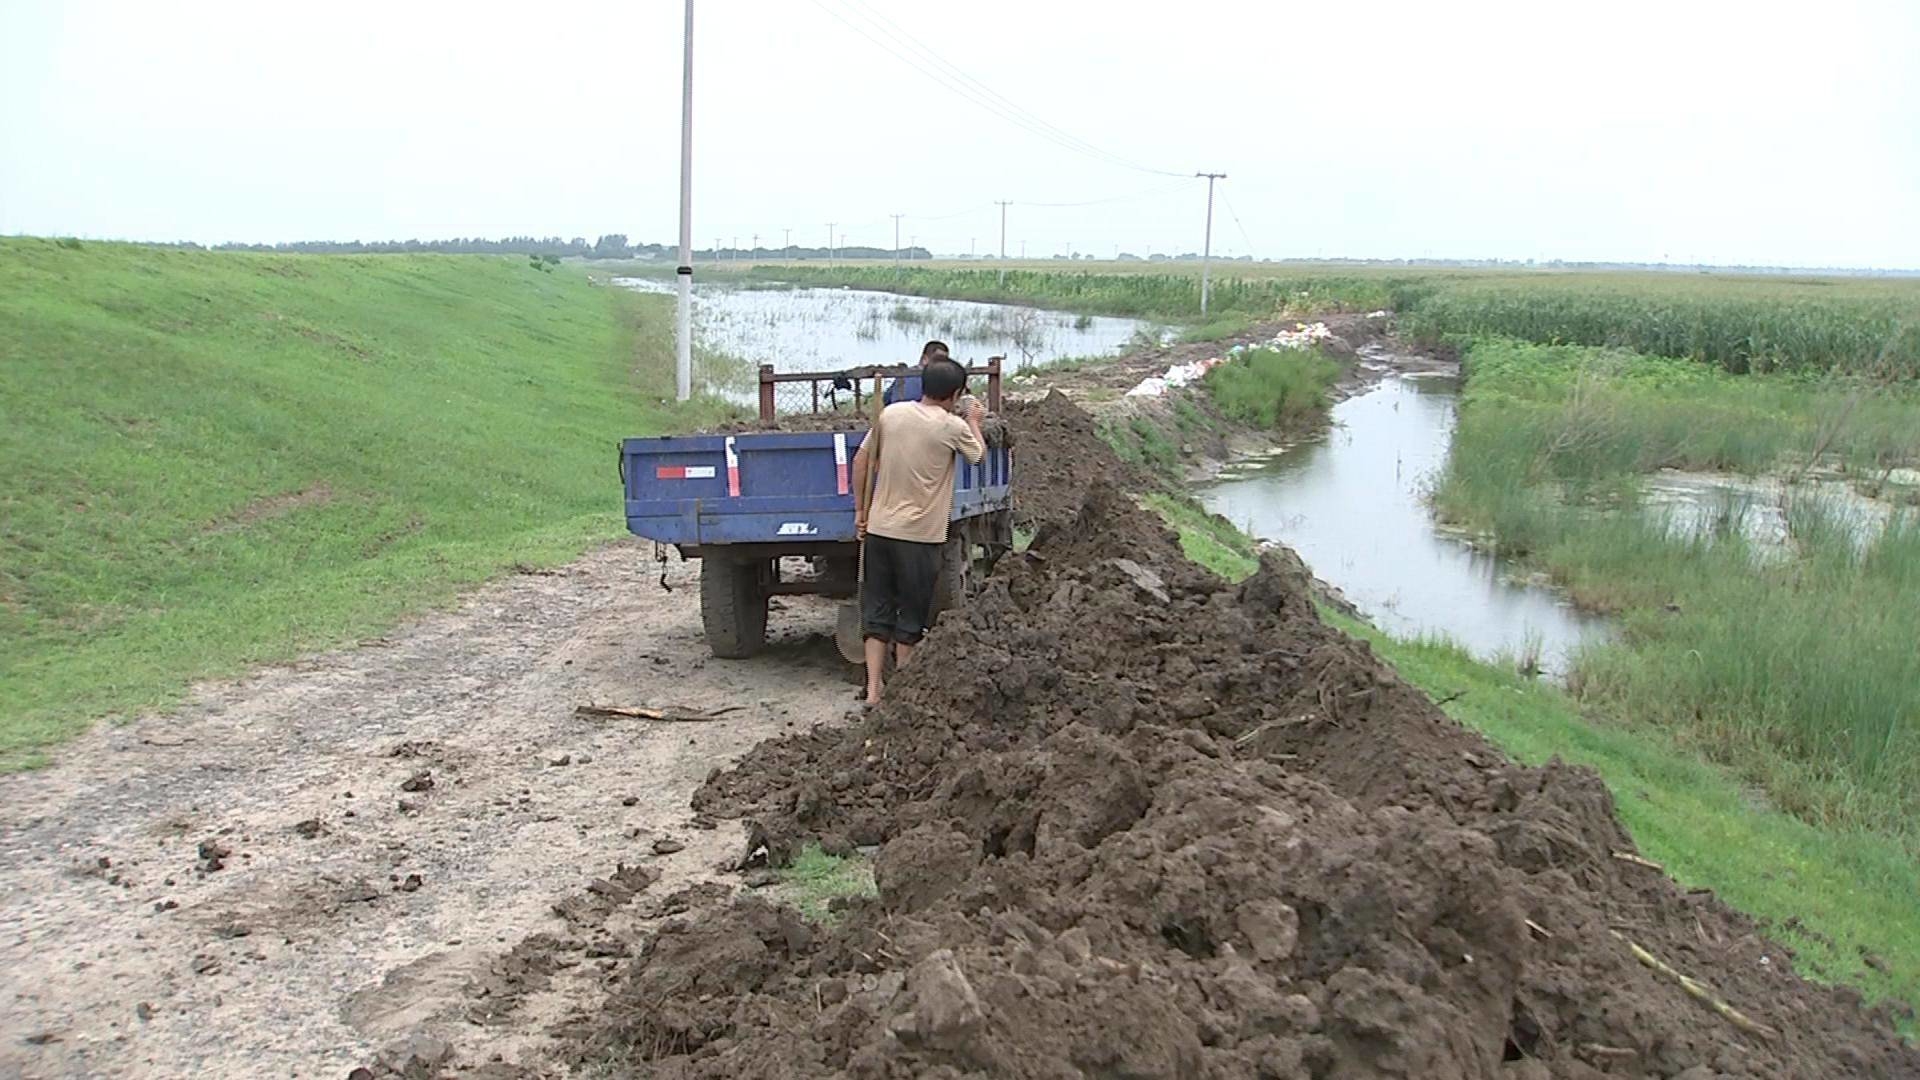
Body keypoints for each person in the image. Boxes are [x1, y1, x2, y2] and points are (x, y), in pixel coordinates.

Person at [851, 357, 986, 705]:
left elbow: (861, 461)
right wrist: (973, 420)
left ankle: (873, 689)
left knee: (877, 609)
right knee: (911, 613)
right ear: (955, 394)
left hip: (880, 530)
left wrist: (861, 512)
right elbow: (978, 457)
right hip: (920, 536)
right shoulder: (951, 426)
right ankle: (902, 689)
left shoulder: (890, 414)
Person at [882, 340, 949, 406]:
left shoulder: (905, 373)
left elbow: (886, 399)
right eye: (939, 361)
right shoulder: (929, 378)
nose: (943, 365)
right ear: (924, 359)